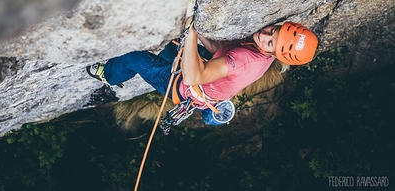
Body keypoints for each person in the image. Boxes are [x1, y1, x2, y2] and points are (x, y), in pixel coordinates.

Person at [86, 20, 318, 124]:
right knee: (170, 45)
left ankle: (109, 75)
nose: (264, 36)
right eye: (273, 31)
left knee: (135, 58)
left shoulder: (245, 60)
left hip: (183, 87)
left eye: (270, 42)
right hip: (204, 79)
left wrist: (191, 34)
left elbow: (193, 76)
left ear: (276, 54)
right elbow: (221, 50)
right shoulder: (262, 51)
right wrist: (195, 30)